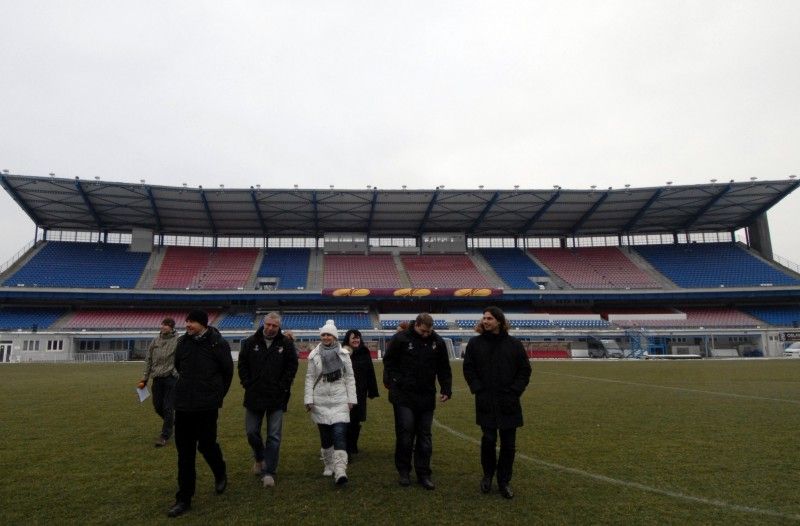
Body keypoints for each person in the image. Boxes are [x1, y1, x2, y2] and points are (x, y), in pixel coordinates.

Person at [167, 310, 233, 518]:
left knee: (206, 445)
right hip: (184, 406)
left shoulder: (217, 343)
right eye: (187, 321)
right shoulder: (182, 343)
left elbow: (227, 372)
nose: (187, 324)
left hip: (206, 407)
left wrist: (215, 395)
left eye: (192, 321)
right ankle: (184, 498)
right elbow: (178, 366)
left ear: (203, 324)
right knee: (185, 453)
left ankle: (220, 471)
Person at [462, 306, 532, 499]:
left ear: (499, 321)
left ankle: (504, 481)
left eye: (489, 318)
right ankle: (487, 476)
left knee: (509, 444)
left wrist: (515, 391)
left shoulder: (514, 344)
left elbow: (525, 370)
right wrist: (478, 389)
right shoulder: (475, 343)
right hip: (486, 401)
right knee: (488, 440)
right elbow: (468, 369)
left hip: (509, 401)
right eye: (484, 318)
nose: (485, 321)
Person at [383, 313, 452, 490]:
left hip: (426, 395)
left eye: (429, 332)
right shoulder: (401, 339)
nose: (426, 335)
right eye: (423, 331)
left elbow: (444, 367)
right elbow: (389, 361)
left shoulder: (437, 342)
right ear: (416, 325)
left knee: (425, 436)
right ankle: (404, 471)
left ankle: (424, 473)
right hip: (403, 395)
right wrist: (396, 380)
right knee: (406, 433)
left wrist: (446, 388)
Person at [237, 312, 298, 488]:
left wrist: (283, 386)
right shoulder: (250, 342)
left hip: (276, 397)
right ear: (263, 324)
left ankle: (269, 471)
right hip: (254, 396)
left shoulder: (285, 344)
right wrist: (247, 383)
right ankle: (259, 457)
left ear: (279, 327)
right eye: (268, 324)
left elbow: (292, 366)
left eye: (274, 326)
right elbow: (242, 364)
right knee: (251, 432)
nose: (271, 328)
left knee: (274, 436)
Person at [304, 319, 356, 485]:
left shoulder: (344, 354)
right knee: (325, 436)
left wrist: (351, 399)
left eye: (329, 335)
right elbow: (309, 378)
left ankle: (340, 470)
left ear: (334, 337)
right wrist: (308, 399)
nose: (326, 337)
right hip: (320, 401)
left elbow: (350, 377)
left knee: (339, 434)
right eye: (324, 334)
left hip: (340, 399)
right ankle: (329, 464)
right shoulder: (314, 355)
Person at [137, 317, 178, 447]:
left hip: (171, 378)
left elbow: (183, 358)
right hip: (157, 378)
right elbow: (148, 359)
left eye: (166, 325)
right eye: (162, 324)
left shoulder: (178, 340)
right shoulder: (155, 341)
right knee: (157, 406)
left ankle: (164, 436)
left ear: (172, 327)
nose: (163, 326)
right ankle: (173, 422)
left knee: (168, 407)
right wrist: (145, 378)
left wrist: (177, 373)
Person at [341, 329, 379, 459]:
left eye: (358, 338)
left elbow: (370, 371)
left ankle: (353, 445)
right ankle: (346, 448)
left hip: (360, 392)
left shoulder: (364, 351)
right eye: (353, 338)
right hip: (344, 392)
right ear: (348, 339)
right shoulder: (343, 352)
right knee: (347, 420)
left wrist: (372, 390)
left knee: (356, 420)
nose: (356, 340)